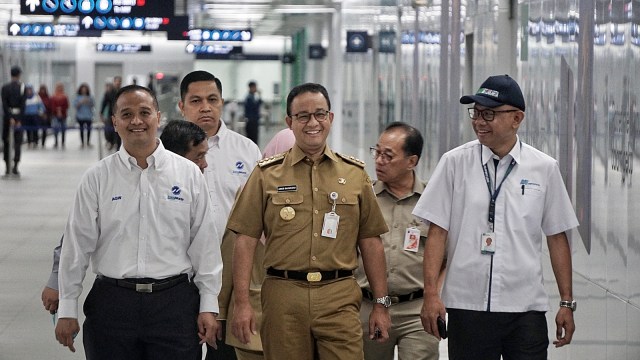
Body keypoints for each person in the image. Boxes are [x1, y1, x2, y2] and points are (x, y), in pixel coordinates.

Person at [413, 75, 578, 359]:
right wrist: (431, 294)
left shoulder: (544, 168)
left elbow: (556, 236)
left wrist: (566, 302)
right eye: (475, 113)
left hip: (525, 308)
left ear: (517, 118)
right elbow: (437, 233)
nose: (479, 121)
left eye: (488, 113)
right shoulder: (454, 163)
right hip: (468, 306)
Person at [54, 85, 223, 359]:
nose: (136, 121)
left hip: (175, 304)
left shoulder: (189, 174)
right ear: (114, 121)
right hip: (112, 304)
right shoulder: (97, 178)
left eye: (144, 112)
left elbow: (205, 244)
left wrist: (208, 304)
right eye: (127, 114)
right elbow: (76, 246)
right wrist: (67, 307)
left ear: (158, 117)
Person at [227, 82, 392, 359]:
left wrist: (381, 304)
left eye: (320, 114)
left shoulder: (355, 174)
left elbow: (371, 242)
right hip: (283, 297)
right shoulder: (266, 175)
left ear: (331, 118)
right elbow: (245, 241)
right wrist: (242, 304)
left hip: (339, 296)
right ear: (289, 122)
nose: (312, 122)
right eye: (303, 116)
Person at [41, 119, 211, 316]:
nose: (204, 164)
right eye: (198, 157)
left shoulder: (196, 179)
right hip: (119, 297)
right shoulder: (113, 176)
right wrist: (59, 284)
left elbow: (207, 243)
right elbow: (76, 237)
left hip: (180, 294)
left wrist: (209, 303)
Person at [178, 70, 262, 360]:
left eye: (212, 100)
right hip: (179, 280)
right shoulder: (165, 153)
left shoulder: (247, 150)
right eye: (196, 100)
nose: (205, 107)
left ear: (222, 102)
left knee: (225, 354)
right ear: (181, 106)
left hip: (232, 278)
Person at [356, 122, 440, 360]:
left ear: (411, 161)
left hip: (417, 310)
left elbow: (447, 257)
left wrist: (435, 297)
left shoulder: (432, 202)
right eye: (377, 152)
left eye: (388, 155)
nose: (379, 160)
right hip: (368, 307)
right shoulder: (365, 198)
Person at [218, 127, 295, 360]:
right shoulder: (252, 190)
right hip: (254, 315)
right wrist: (220, 312)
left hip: (298, 316)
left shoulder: (315, 196)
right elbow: (231, 251)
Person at [1, 65, 25, 176]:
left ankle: (7, 166)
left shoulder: (5, 87)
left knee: (7, 142)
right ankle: (15, 165)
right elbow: (23, 105)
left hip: (8, 118)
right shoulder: (22, 87)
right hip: (17, 117)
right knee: (17, 143)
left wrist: (9, 117)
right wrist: (19, 119)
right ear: (19, 75)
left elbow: (4, 105)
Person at [100, 76, 122, 150]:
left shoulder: (123, 92)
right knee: (109, 130)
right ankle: (111, 142)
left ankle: (118, 146)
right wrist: (101, 113)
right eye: (116, 81)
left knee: (118, 131)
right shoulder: (109, 92)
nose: (118, 83)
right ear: (114, 82)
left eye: (119, 82)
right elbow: (104, 103)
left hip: (120, 115)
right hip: (111, 114)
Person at [73, 83, 95, 147]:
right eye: (83, 89)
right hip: (80, 116)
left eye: (85, 89)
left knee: (89, 130)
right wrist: (81, 102)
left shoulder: (90, 97)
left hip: (88, 116)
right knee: (81, 130)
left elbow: (93, 105)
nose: (84, 91)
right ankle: (82, 142)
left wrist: (88, 102)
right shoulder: (77, 97)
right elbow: (75, 106)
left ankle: (88, 142)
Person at [49, 82, 69, 148]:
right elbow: (52, 105)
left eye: (61, 87)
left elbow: (66, 105)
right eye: (58, 87)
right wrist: (57, 110)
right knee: (55, 128)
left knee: (63, 128)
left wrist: (61, 110)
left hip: (63, 115)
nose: (59, 88)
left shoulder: (65, 96)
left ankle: (63, 142)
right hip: (55, 115)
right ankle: (56, 142)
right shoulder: (53, 96)